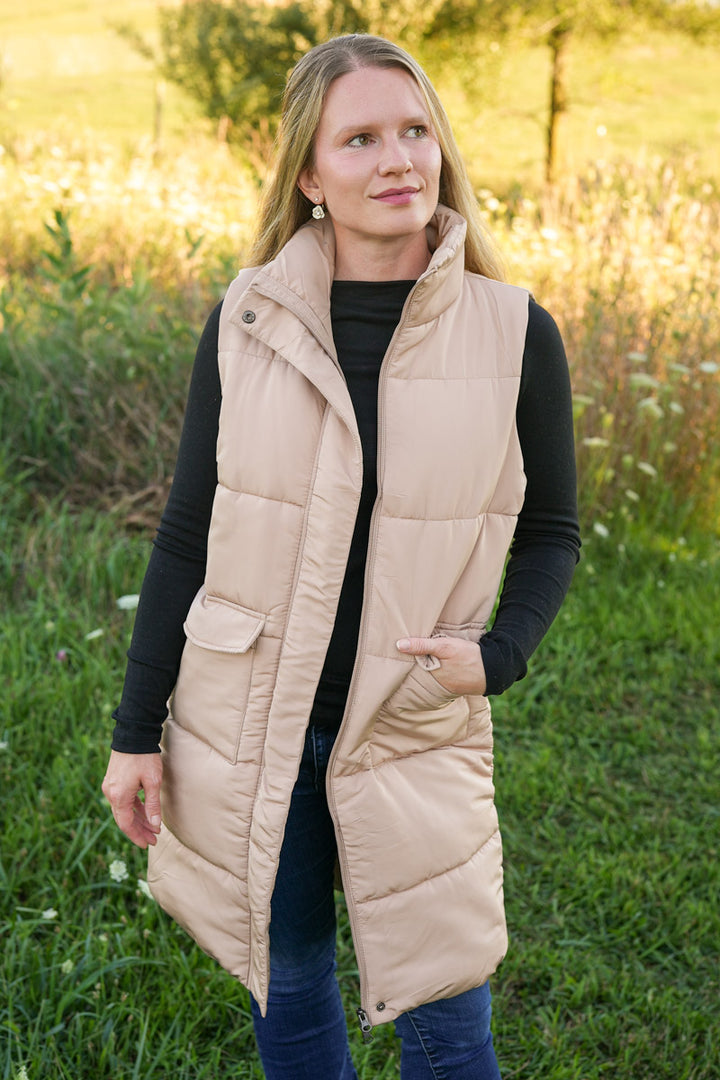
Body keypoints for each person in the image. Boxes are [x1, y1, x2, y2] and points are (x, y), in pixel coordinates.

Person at [102, 33, 580, 1080]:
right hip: (254, 726)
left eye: (415, 130)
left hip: (412, 726)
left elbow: (553, 533)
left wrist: (501, 656)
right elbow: (188, 534)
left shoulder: (514, 334)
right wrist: (137, 732)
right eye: (360, 138)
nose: (398, 158)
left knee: (450, 1028)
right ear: (310, 176)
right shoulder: (248, 321)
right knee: (292, 981)